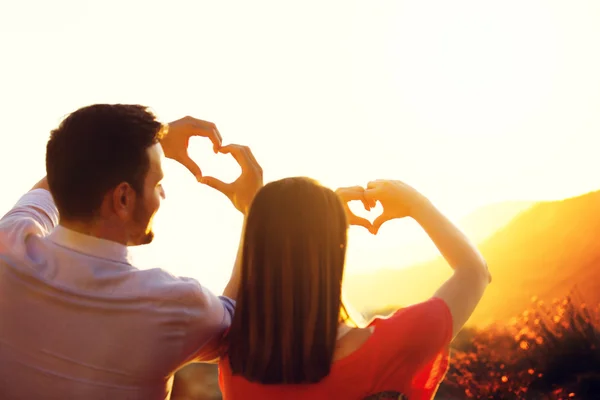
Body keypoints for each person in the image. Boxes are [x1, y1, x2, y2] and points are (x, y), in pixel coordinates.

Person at [0, 104, 262, 400]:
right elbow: (239, 321)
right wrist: (253, 210)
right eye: (158, 183)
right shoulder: (174, 304)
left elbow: (57, 181)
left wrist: (152, 144)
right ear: (123, 198)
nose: (162, 195)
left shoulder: (9, 246)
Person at [217, 177, 492, 400]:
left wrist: (255, 213)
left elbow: (230, 304)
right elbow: (475, 272)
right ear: (335, 250)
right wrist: (414, 203)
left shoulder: (234, 359)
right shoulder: (395, 345)